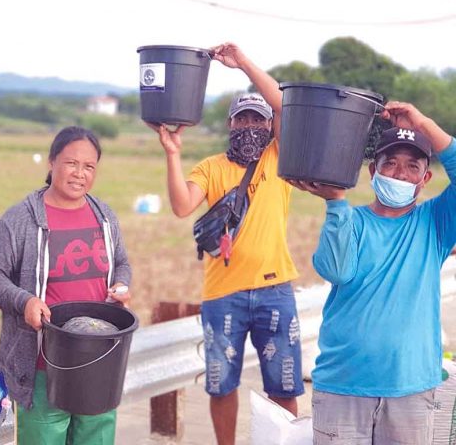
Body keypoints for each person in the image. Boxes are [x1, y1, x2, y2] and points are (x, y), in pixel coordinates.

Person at [148, 43, 303, 444]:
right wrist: (172, 154)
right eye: (242, 120)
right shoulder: (213, 167)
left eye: (258, 120)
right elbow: (183, 205)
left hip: (275, 290)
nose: (250, 126)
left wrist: (244, 63)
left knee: (284, 386)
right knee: (221, 385)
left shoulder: (278, 159)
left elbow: (286, 106)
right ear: (231, 125)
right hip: (223, 295)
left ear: (269, 126)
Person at [290, 101, 455, 444]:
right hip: (342, 386)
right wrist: (335, 202)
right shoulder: (351, 220)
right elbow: (336, 271)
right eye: (390, 164)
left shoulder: (435, 223)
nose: (399, 173)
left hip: (411, 388)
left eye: (412, 166)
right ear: (372, 172)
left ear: (425, 179)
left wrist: (423, 122)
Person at [0, 126, 132, 445]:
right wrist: (25, 302)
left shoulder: (104, 217)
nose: (80, 174)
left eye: (89, 166)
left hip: (99, 362)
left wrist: (121, 283)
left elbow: (122, 263)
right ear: (51, 163)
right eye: (71, 163)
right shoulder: (20, 219)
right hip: (43, 365)